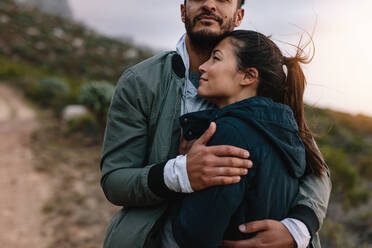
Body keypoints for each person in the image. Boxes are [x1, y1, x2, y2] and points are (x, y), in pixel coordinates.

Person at [100, 0, 331, 247]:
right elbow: (115, 180)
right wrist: (178, 173)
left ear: (239, 15)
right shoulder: (141, 82)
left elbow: (316, 168)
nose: (209, 4)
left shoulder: (261, 81)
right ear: (182, 11)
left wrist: (297, 227)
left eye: (223, 0)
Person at [169, 29, 325, 248]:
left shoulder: (229, 132)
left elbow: (195, 235)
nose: (203, 66)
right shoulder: (287, 132)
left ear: (248, 76)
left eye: (216, 58)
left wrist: (182, 173)